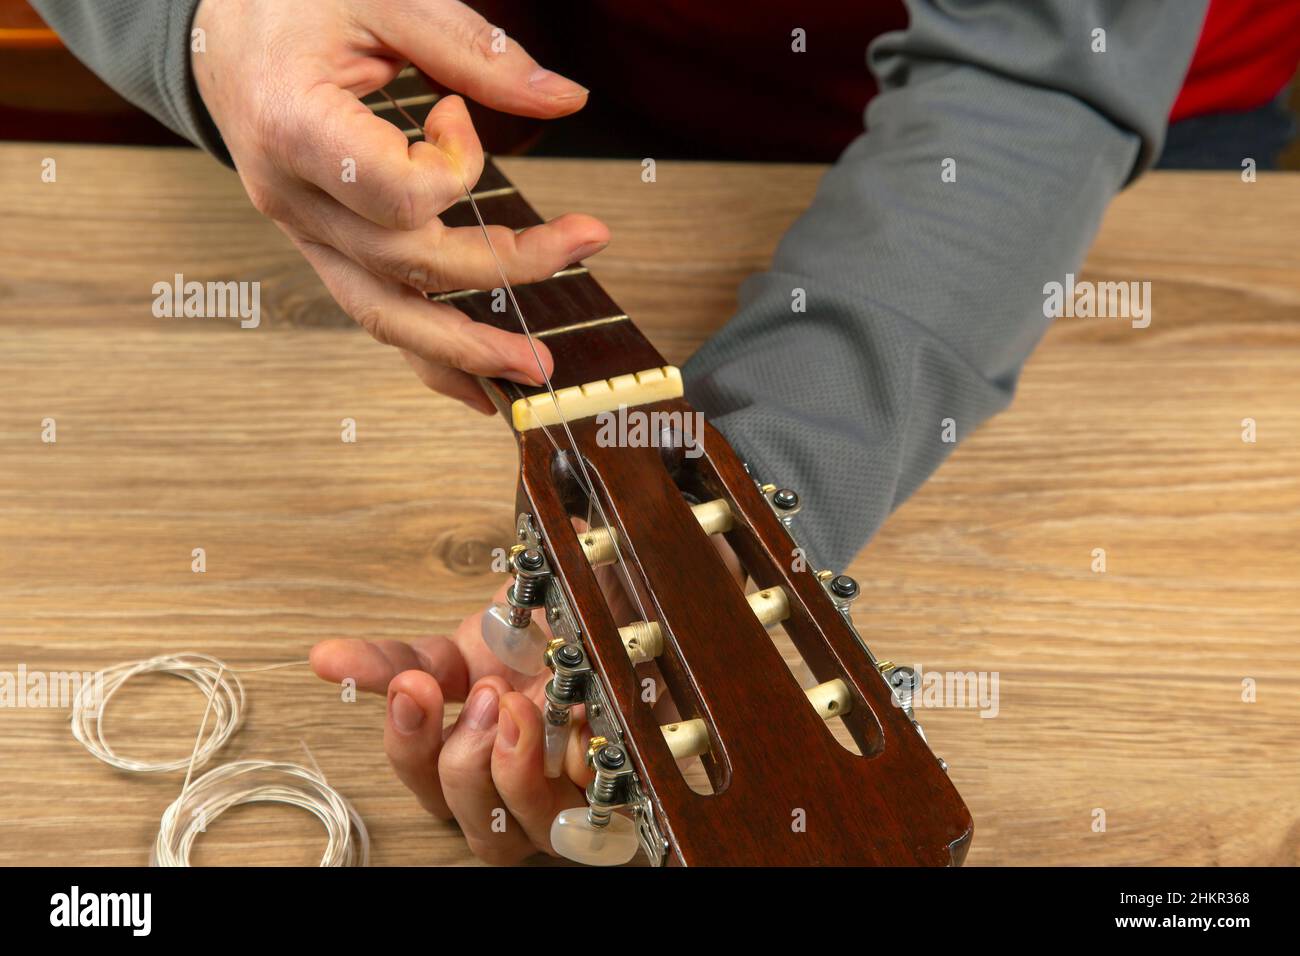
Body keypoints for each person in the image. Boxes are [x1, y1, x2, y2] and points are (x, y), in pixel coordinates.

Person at [31, 0, 1297, 863]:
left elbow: (1035, 66)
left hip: (1072, 124)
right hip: (530, 71)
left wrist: (723, 498)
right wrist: (200, 27)